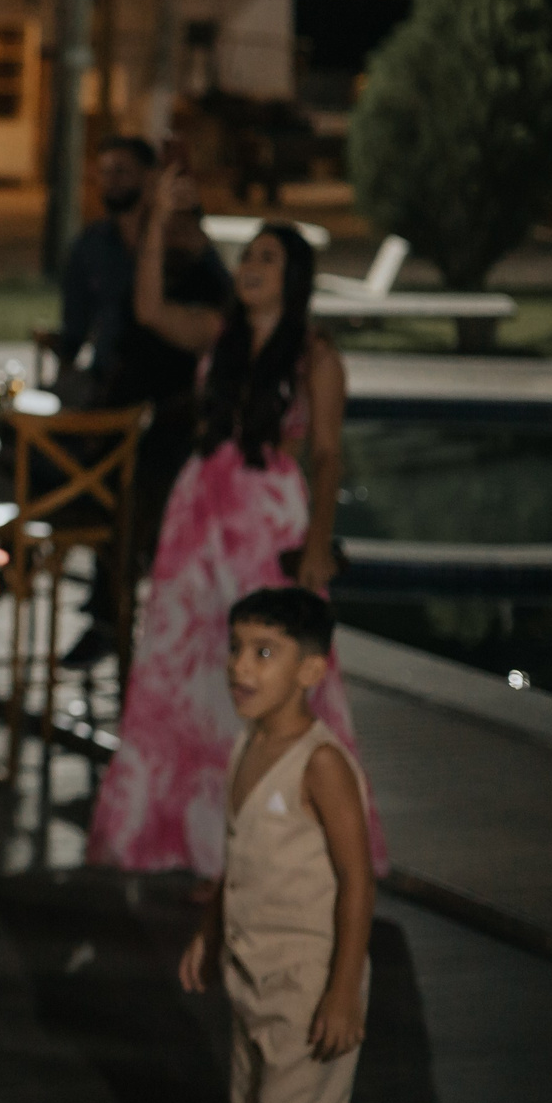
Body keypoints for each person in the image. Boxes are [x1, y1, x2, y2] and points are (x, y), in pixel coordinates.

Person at [88, 172, 385, 881]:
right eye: (247, 255)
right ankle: (196, 847)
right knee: (186, 673)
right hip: (199, 517)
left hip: (266, 518)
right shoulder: (216, 336)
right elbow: (150, 305)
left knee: (270, 673)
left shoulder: (317, 357)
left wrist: (316, 546)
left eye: (268, 258)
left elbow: (327, 452)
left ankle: (276, 850)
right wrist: (159, 214)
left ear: (296, 278)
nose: (250, 267)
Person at [177, 587, 373, 1103]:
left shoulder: (320, 766)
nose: (239, 666)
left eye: (264, 653)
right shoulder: (249, 744)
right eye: (235, 648)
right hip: (251, 974)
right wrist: (210, 934)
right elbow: (239, 860)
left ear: (311, 670)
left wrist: (341, 995)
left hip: (306, 985)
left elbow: (357, 883)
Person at [49, 138, 233, 670]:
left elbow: (169, 317)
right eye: (103, 171)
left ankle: (113, 608)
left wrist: (167, 225)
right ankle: (98, 594)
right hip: (112, 397)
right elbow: (77, 333)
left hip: (166, 414)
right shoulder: (95, 246)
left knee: (142, 477)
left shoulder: (196, 268)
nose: (111, 182)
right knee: (49, 451)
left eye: (124, 171)